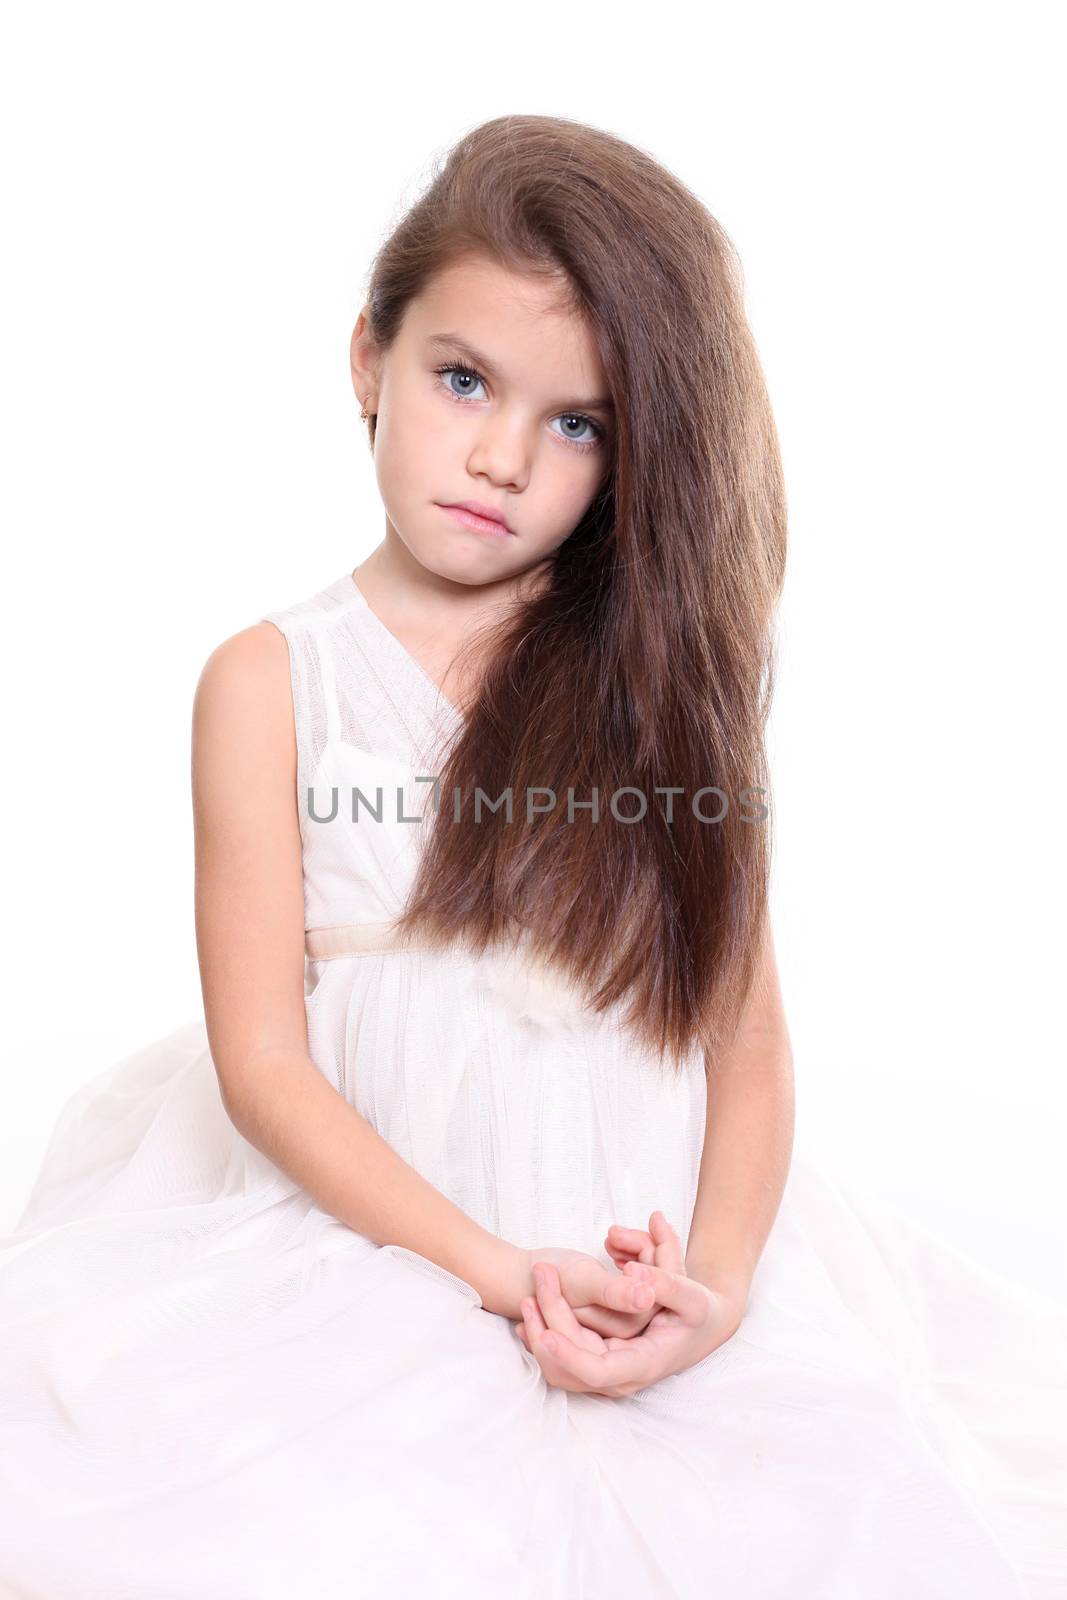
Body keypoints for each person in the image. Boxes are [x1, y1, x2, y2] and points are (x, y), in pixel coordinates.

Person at [0, 113, 1063, 1599]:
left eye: (578, 424)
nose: (502, 456)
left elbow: (744, 1038)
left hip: (649, 1256)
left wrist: (721, 1284)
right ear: (368, 360)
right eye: (462, 380)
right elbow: (266, 1065)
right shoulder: (270, 681)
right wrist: (498, 1272)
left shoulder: (658, 691)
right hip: (384, 1249)